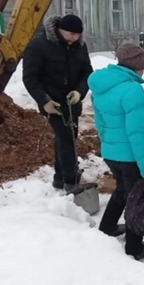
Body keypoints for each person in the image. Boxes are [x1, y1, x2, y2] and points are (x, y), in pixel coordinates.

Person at [88, 43, 144, 261]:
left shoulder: (101, 86)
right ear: (138, 67)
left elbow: (99, 122)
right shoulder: (132, 90)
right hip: (131, 157)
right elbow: (139, 133)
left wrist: (108, 145)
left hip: (111, 152)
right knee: (137, 200)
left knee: (122, 191)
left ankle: (107, 227)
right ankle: (134, 249)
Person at [22, 14, 93, 192]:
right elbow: (30, 78)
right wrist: (44, 100)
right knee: (66, 137)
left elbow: (87, 73)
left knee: (68, 135)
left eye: (77, 35)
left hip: (72, 101)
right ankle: (70, 181)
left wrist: (79, 92)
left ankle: (59, 178)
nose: (74, 38)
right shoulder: (38, 46)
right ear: (59, 30)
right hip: (52, 101)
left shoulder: (80, 47)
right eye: (70, 34)